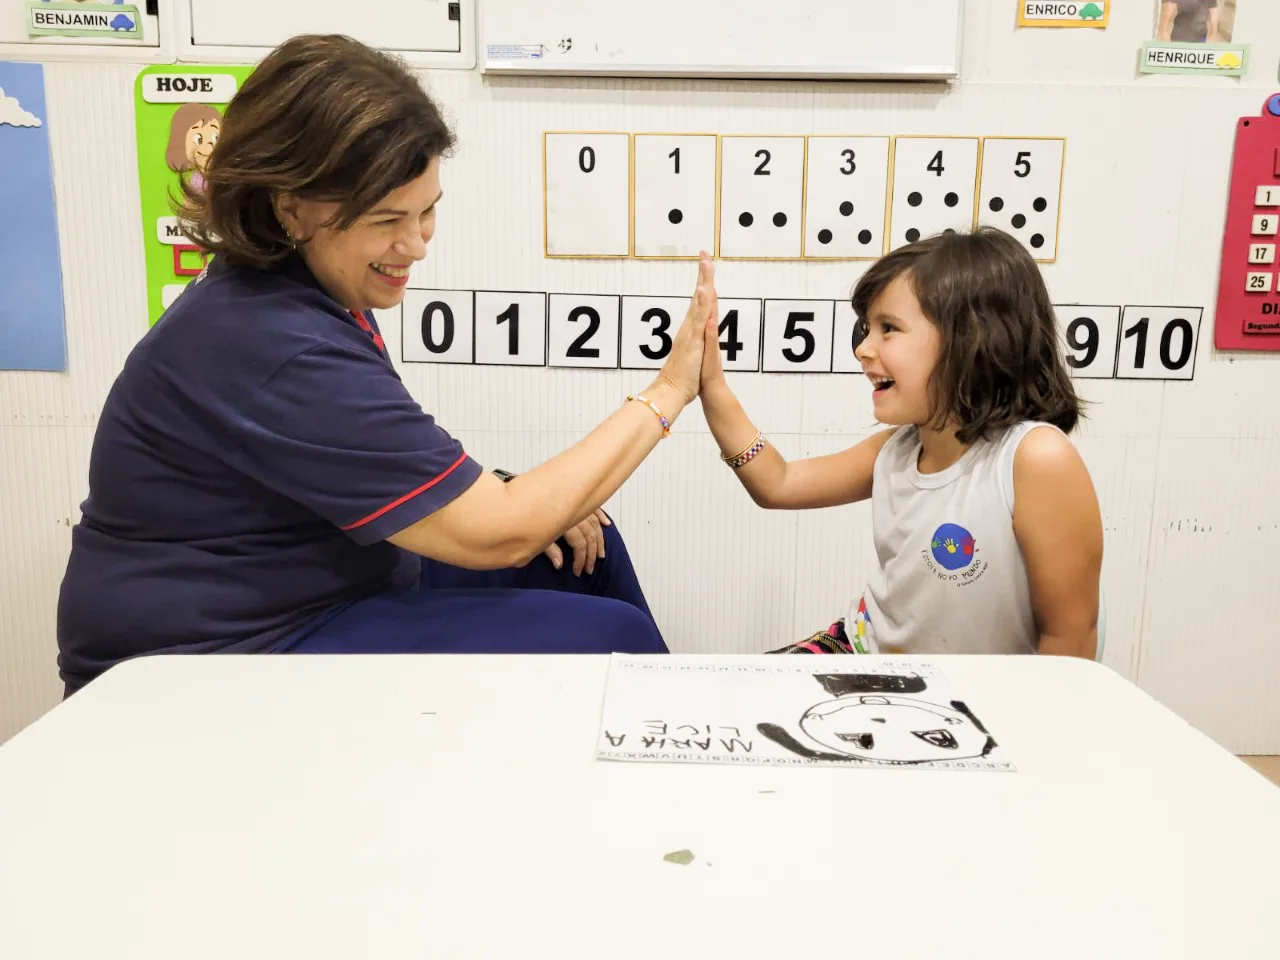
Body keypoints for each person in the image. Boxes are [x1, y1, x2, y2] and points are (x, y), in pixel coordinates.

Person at [55, 34, 717, 695]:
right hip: (212, 653)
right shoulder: (274, 342)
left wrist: (534, 501)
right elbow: (498, 534)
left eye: (427, 211)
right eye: (386, 220)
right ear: (291, 207)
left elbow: (379, 463)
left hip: (317, 582)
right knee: (611, 639)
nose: (415, 245)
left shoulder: (311, 282)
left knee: (587, 550)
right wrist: (668, 390)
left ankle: (654, 746)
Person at [698, 227, 1103, 659]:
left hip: (973, 698)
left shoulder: (1035, 459)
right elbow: (777, 483)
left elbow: (1069, 638)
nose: (863, 349)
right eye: (866, 329)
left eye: (888, 328)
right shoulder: (896, 450)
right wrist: (712, 386)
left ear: (972, 338)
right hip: (864, 654)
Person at [1157, 0, 1221, 43]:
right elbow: (1166, 16)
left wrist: (1212, 36)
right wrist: (1164, 33)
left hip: (1201, 37)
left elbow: (1214, 15)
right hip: (1179, 40)